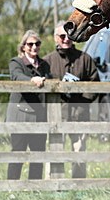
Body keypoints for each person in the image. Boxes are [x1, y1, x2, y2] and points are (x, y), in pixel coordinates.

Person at [44, 21, 100, 178]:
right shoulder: (48, 61)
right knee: (55, 149)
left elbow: (95, 85)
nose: (65, 39)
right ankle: (53, 183)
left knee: (79, 150)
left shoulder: (85, 59)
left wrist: (81, 98)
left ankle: (79, 183)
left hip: (79, 114)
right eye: (61, 36)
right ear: (55, 38)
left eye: (68, 36)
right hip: (56, 115)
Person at [6, 30, 50, 180]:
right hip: (20, 115)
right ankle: (12, 188)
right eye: (30, 44)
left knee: (38, 154)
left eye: (37, 44)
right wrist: (32, 81)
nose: (34, 47)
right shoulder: (16, 62)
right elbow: (16, 76)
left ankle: (35, 188)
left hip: (39, 115)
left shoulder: (44, 64)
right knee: (18, 153)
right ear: (23, 46)